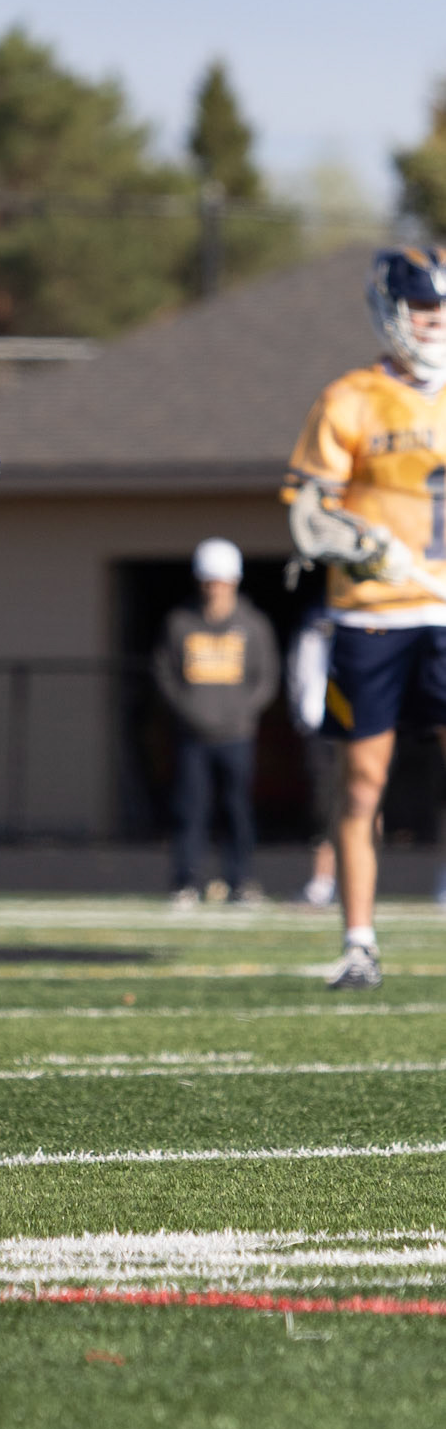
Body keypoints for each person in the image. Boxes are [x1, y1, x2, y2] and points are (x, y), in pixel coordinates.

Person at [284, 246, 446, 989]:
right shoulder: (350, 397)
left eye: (442, 308)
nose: (434, 321)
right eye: (422, 307)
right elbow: (307, 512)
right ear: (391, 311)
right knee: (360, 783)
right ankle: (358, 943)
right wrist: (359, 545)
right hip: (370, 616)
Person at [153, 538, 280, 908]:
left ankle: (240, 881)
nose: (215, 589)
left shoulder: (253, 625)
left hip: (237, 735)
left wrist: (241, 713)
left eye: (221, 582)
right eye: (209, 582)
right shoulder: (180, 623)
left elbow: (266, 677)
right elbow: (164, 674)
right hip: (192, 736)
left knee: (238, 811)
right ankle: (186, 882)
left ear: (234, 582)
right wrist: (189, 712)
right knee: (189, 810)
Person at [285, 610, 339, 908]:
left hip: (360, 726)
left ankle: (363, 876)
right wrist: (302, 715)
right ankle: (323, 879)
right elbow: (297, 674)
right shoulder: (311, 628)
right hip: (319, 725)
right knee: (324, 807)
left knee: (366, 801)